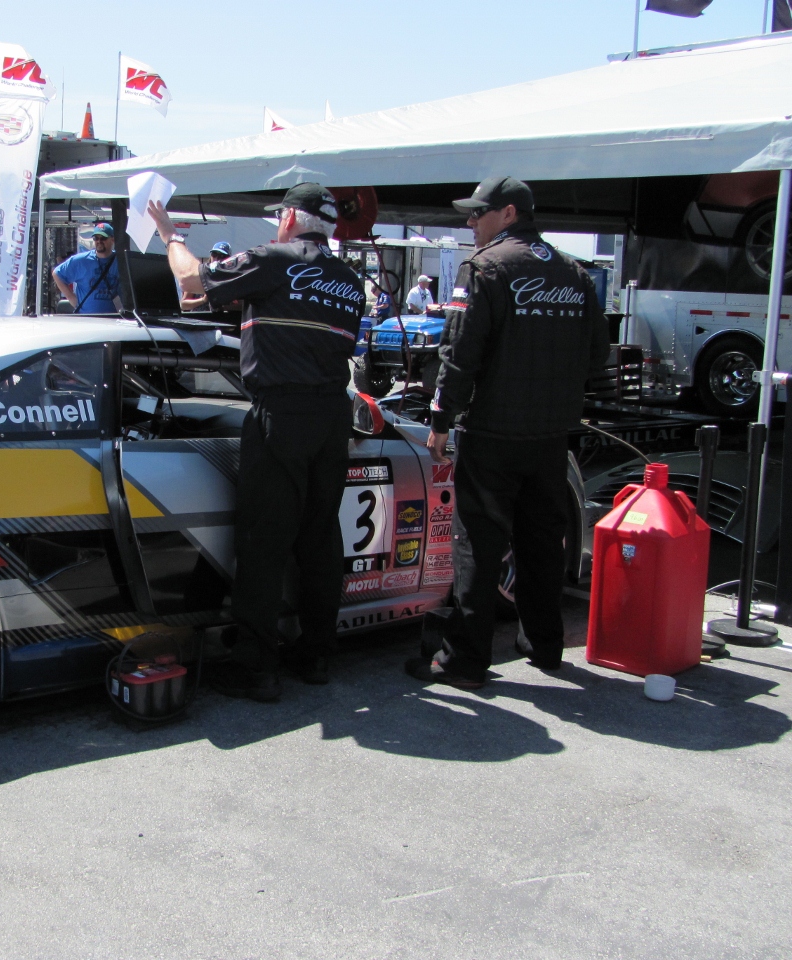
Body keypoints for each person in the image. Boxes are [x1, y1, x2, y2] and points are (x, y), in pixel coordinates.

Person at [149, 183, 364, 700]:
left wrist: (170, 234)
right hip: (331, 418)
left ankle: (257, 670)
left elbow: (191, 277)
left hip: (282, 415)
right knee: (320, 540)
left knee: (264, 543)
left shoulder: (273, 259)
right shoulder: (350, 280)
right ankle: (316, 657)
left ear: (289, 217)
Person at [406, 176, 608, 690]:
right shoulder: (576, 273)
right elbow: (598, 357)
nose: (470, 222)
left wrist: (440, 419)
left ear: (510, 214)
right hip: (551, 436)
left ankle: (465, 661)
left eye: (479, 213)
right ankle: (544, 645)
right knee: (542, 542)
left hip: (492, 433)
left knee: (478, 543)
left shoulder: (485, 268)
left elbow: (459, 354)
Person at [52, 223, 122, 314]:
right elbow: (57, 273)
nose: (99, 241)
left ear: (112, 239)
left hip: (114, 318)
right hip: (87, 318)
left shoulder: (121, 261)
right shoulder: (82, 260)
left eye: (103, 238)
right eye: (96, 238)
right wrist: (72, 298)